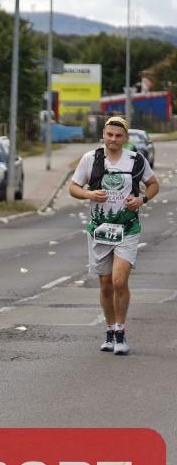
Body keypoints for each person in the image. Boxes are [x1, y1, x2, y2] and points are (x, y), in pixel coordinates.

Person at [68, 116, 159, 356]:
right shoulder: (91, 159)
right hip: (100, 229)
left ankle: (120, 331)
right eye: (110, 135)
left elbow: (153, 184)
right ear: (103, 134)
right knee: (106, 284)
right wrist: (89, 195)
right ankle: (109, 330)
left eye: (118, 136)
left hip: (127, 228)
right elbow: (73, 187)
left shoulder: (136, 160)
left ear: (125, 138)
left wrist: (142, 199)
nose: (113, 139)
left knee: (119, 281)